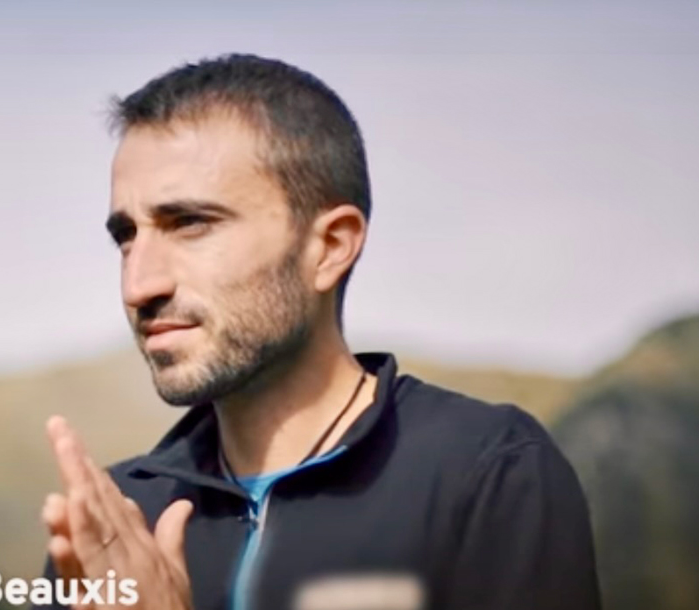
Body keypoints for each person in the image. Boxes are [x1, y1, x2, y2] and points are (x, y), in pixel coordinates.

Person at [35, 54, 600, 610]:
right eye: (126, 236)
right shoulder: (116, 522)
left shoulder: (486, 472)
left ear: (329, 247)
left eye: (190, 223)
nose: (139, 284)